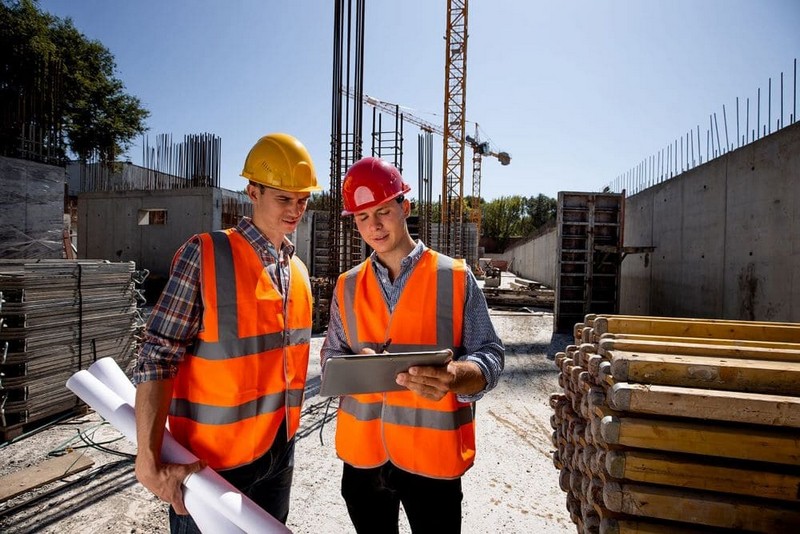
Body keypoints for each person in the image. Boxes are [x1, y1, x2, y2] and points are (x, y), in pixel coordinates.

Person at [133, 133, 321, 532]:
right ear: (252, 191)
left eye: (302, 199)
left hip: (277, 452)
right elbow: (158, 355)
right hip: (209, 465)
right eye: (284, 198)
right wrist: (148, 459)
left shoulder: (299, 273)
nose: (295, 210)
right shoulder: (206, 254)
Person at [320, 156, 505, 533]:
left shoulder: (454, 276)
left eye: (383, 211)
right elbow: (331, 355)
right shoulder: (347, 285)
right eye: (362, 217)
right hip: (363, 458)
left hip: (431, 462)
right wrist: (353, 367)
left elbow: (490, 352)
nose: (374, 225)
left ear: (405, 207)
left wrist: (457, 376)